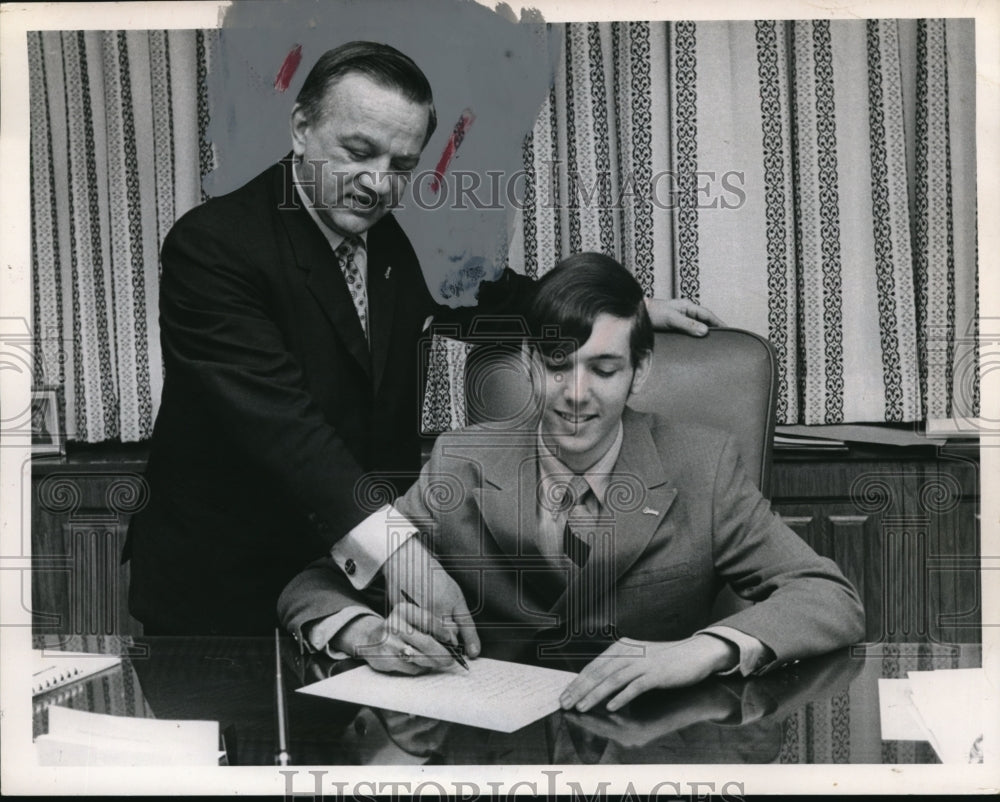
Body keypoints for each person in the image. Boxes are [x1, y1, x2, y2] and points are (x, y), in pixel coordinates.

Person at [123, 42, 721, 635]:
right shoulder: (213, 246)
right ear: (302, 127)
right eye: (358, 152)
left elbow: (497, 295)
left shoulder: (396, 239)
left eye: (402, 165)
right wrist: (403, 552)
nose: (378, 184)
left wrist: (626, 312)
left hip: (350, 586)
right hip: (223, 588)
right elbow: (282, 426)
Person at [278, 252, 865, 711]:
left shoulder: (703, 465)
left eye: (604, 369)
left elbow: (828, 596)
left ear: (639, 372)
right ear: (531, 364)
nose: (576, 395)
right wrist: (366, 635)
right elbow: (313, 586)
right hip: (494, 759)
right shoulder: (461, 461)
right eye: (557, 365)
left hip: (653, 753)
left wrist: (701, 652)